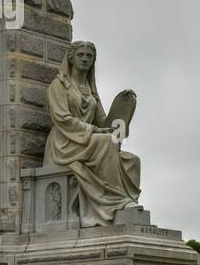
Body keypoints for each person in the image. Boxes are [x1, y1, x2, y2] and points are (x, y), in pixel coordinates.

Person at [44, 42, 141, 226]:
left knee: (132, 160)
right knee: (107, 142)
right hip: (65, 142)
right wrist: (95, 131)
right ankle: (116, 202)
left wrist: (122, 107)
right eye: (81, 55)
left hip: (88, 141)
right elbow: (61, 117)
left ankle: (126, 201)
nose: (85, 59)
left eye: (89, 56)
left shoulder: (90, 89)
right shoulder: (59, 85)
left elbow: (102, 120)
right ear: (71, 58)